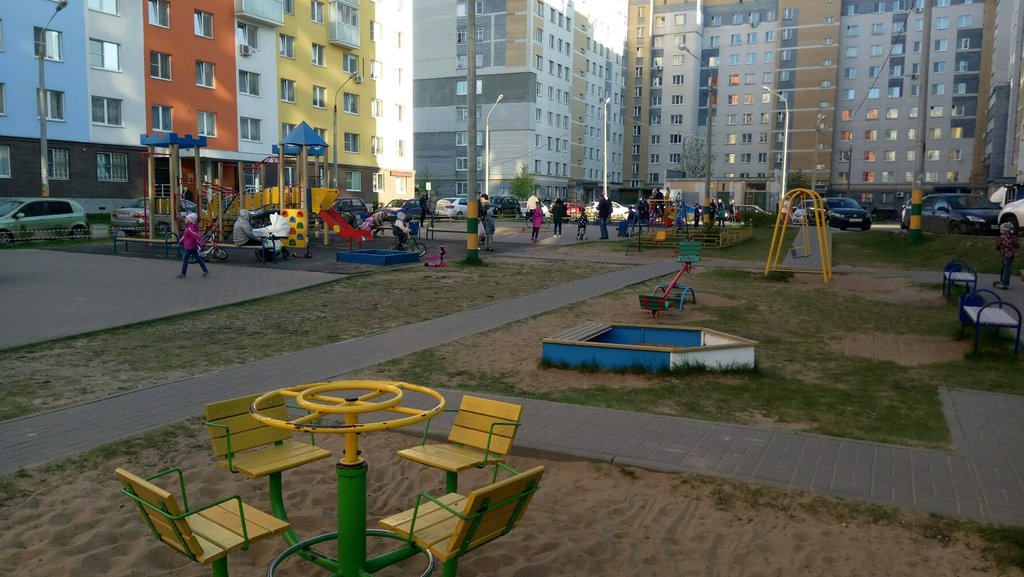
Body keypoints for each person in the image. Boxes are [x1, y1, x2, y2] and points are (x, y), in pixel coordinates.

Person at [177, 213, 208, 278]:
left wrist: (202, 243)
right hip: (192, 246)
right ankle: (205, 270)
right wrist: (180, 242)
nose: (185, 219)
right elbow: (185, 236)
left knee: (185, 259)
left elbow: (197, 236)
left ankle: (183, 274)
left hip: (189, 247)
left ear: (189, 221)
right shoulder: (190, 227)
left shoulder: (189, 229)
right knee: (198, 258)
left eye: (186, 219)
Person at [994, 222, 1019, 290]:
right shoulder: (1013, 237)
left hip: (1004, 255)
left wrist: (1000, 248)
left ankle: (1004, 283)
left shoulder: (1002, 237)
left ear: (1004, 230)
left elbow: (997, 246)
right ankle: (1003, 281)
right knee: (1006, 268)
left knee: (1006, 269)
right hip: (1011, 255)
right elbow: (1017, 245)